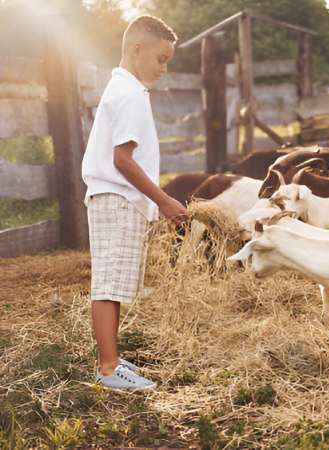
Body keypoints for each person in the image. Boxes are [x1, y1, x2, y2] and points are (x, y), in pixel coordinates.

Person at [81, 15, 188, 391]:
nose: (163, 68)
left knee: (117, 282)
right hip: (116, 196)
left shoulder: (126, 90)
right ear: (136, 49)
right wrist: (166, 201)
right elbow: (122, 159)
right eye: (161, 59)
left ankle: (110, 359)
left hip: (121, 199)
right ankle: (108, 369)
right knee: (109, 284)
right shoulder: (128, 94)